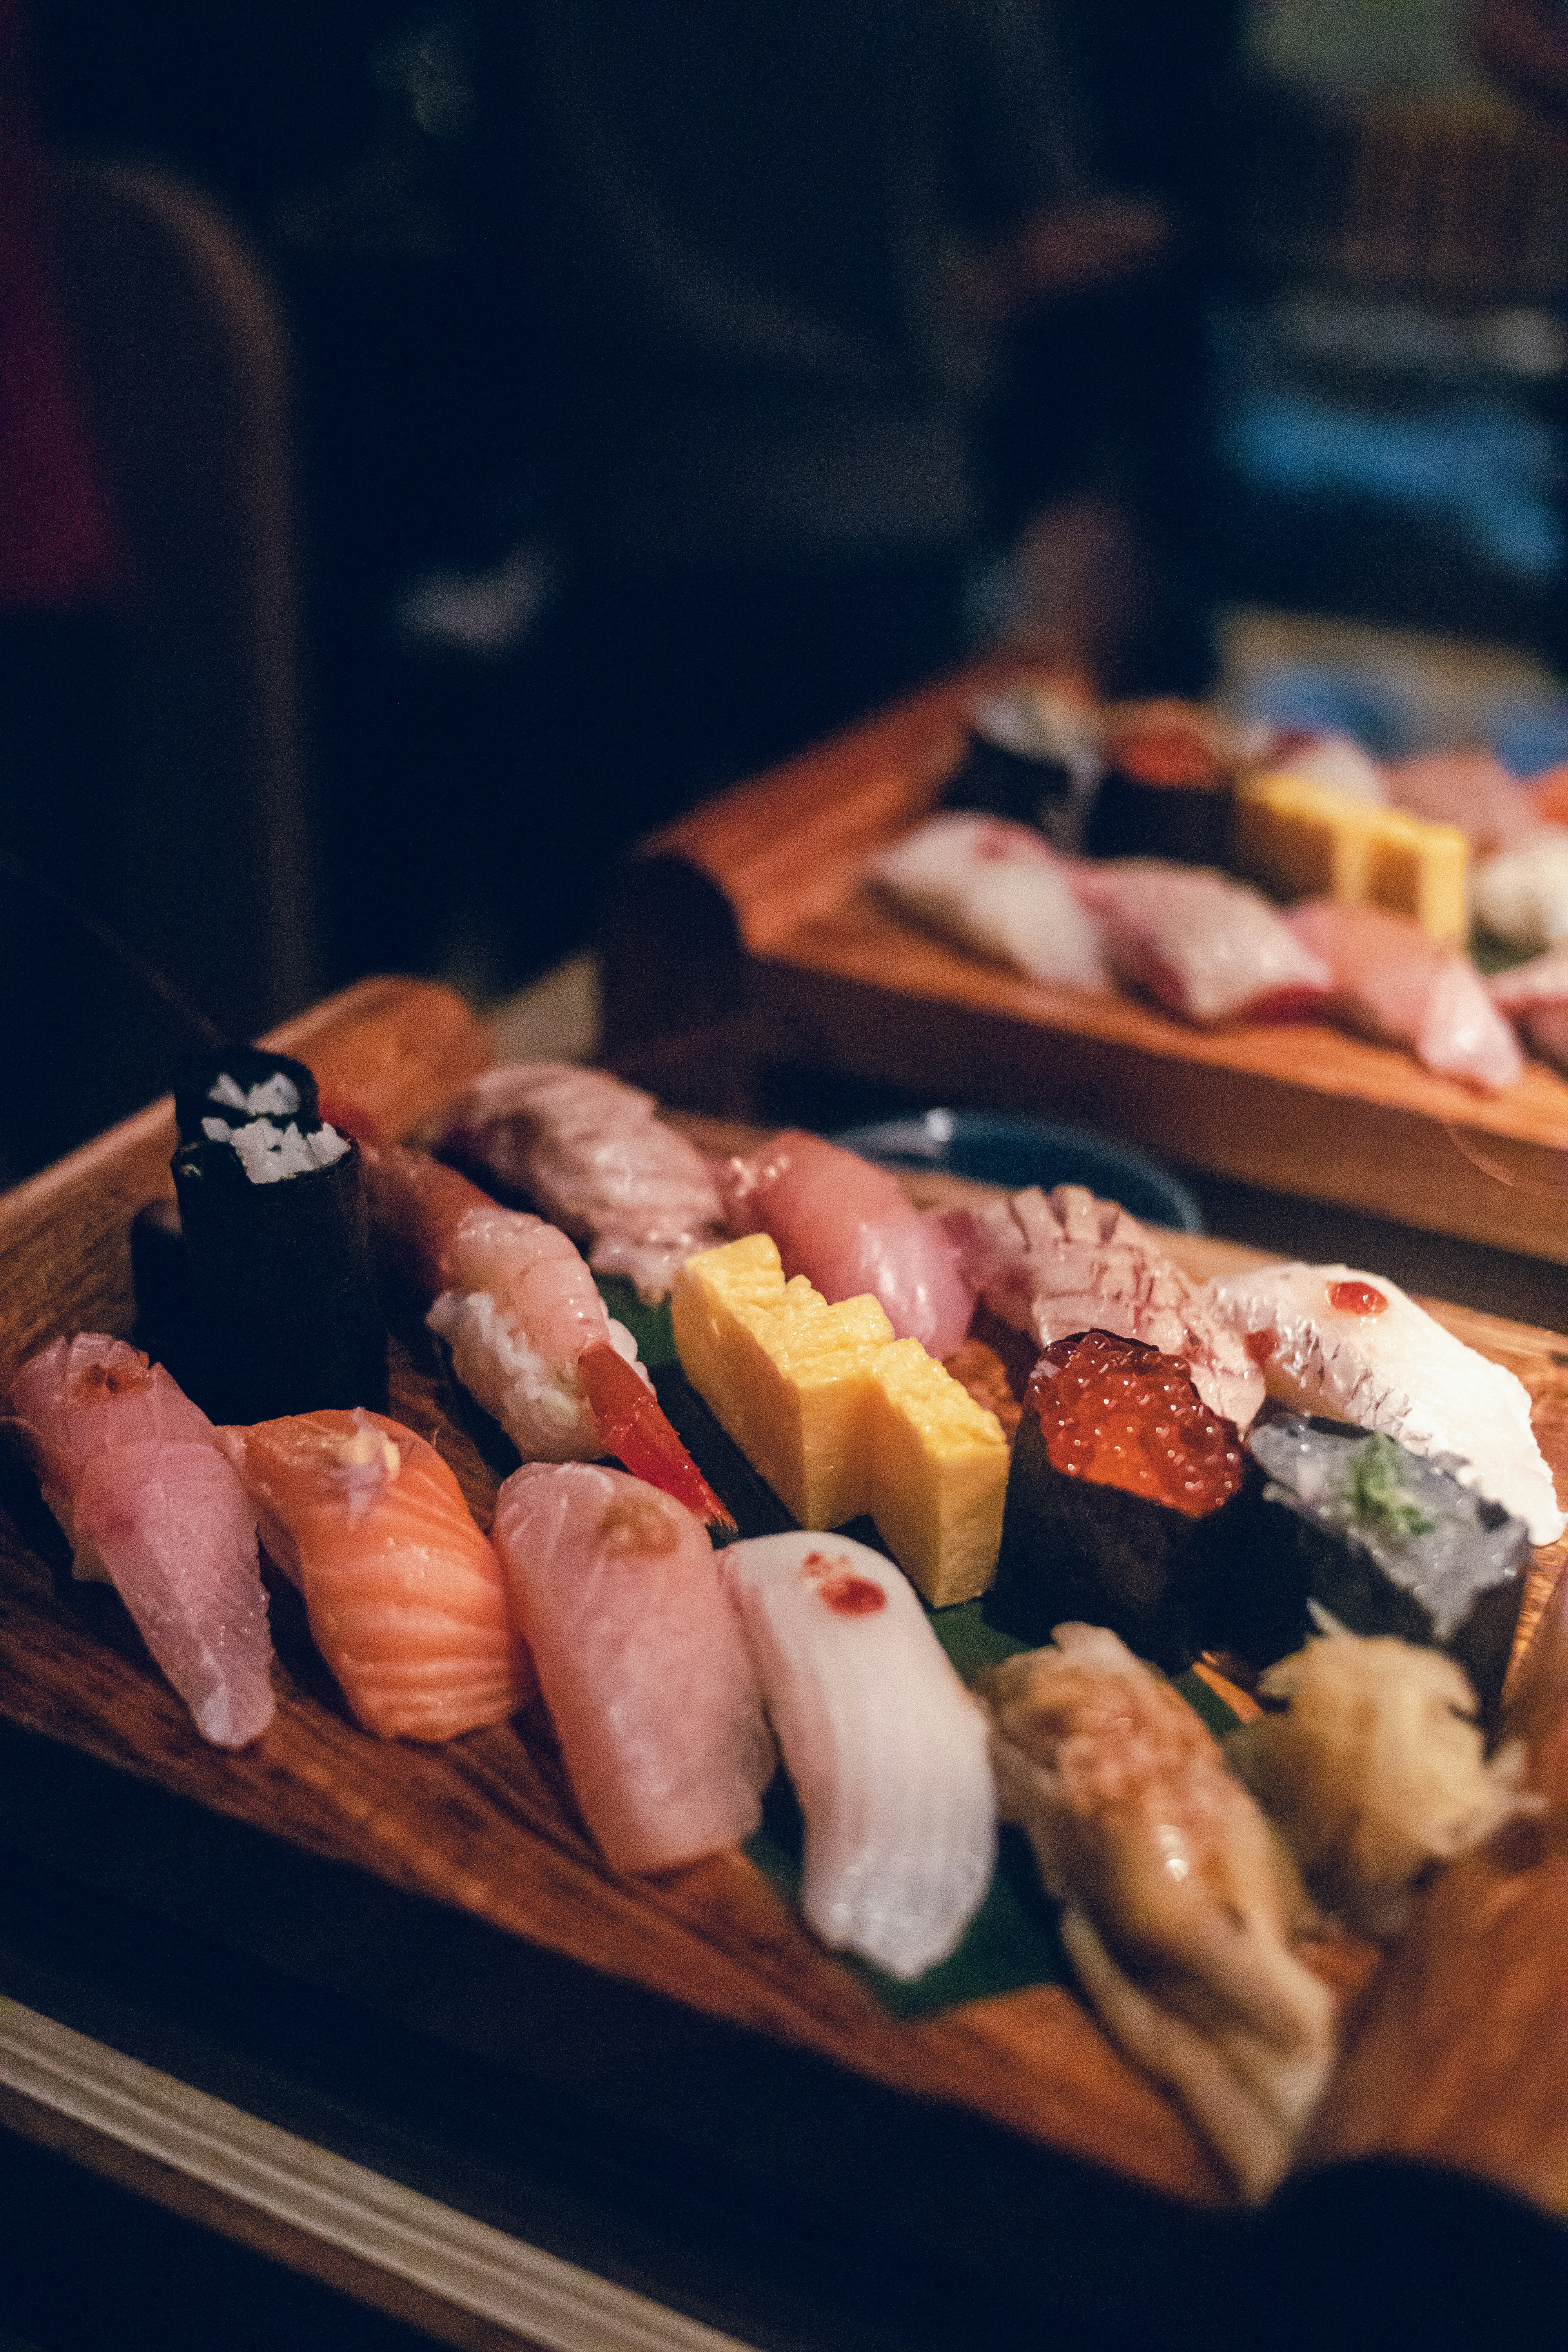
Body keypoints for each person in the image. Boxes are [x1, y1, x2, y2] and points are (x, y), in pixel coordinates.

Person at [440, 0, 1165, 972]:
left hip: (626, 504)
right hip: (876, 508)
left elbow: (483, 205)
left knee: (593, 974)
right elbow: (1046, 227)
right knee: (860, 968)